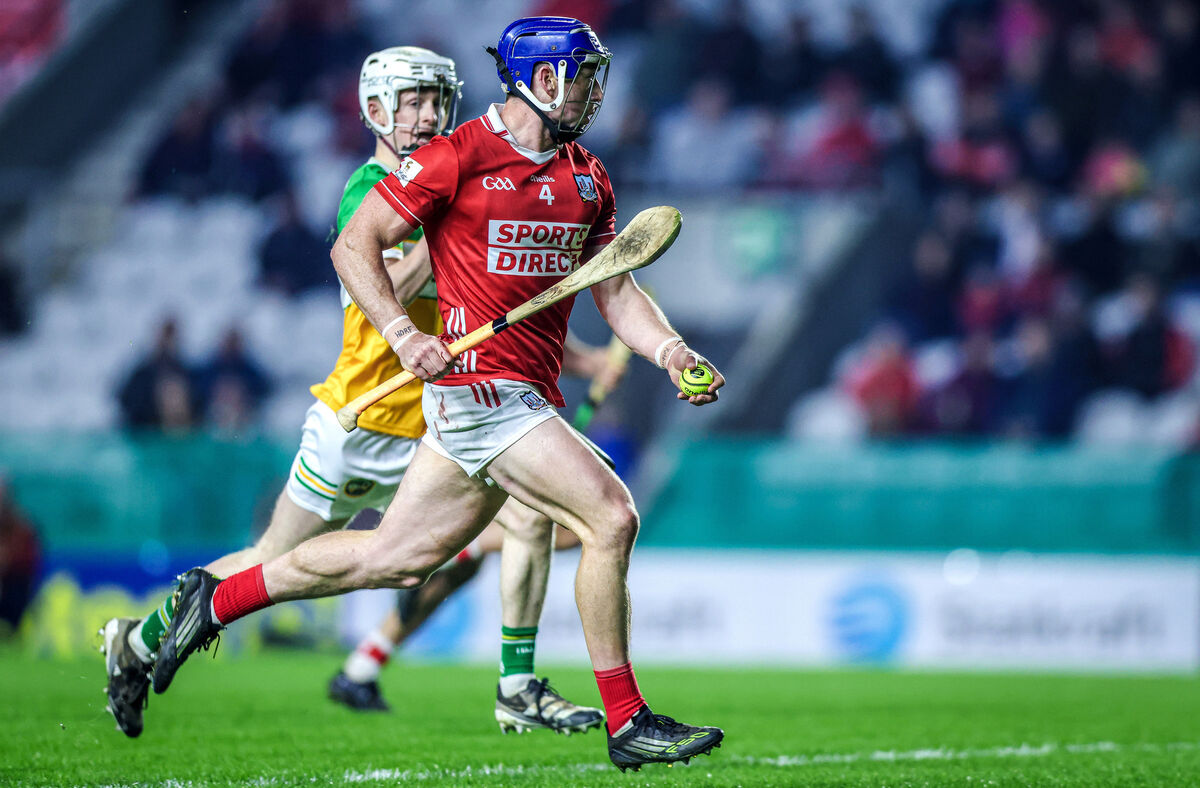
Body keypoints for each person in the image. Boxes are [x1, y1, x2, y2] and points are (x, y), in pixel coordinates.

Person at [148, 17, 726, 771]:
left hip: (518, 398)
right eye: (583, 76)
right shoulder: (459, 155)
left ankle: (212, 600)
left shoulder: (588, 176)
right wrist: (400, 331)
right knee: (611, 516)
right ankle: (628, 721)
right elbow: (353, 244)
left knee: (395, 558)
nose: (594, 92)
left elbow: (614, 290)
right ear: (543, 79)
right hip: (481, 393)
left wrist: (671, 351)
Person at [102, 45, 609, 740]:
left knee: (529, 515)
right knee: (270, 561)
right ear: (376, 109)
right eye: (414, 101)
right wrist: (460, 227)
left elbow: (496, 310)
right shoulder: (371, 186)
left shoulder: (465, 179)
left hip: (441, 422)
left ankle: (516, 687)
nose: (431, 116)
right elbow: (397, 285)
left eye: (440, 100)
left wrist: (584, 355)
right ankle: (134, 643)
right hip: (363, 417)